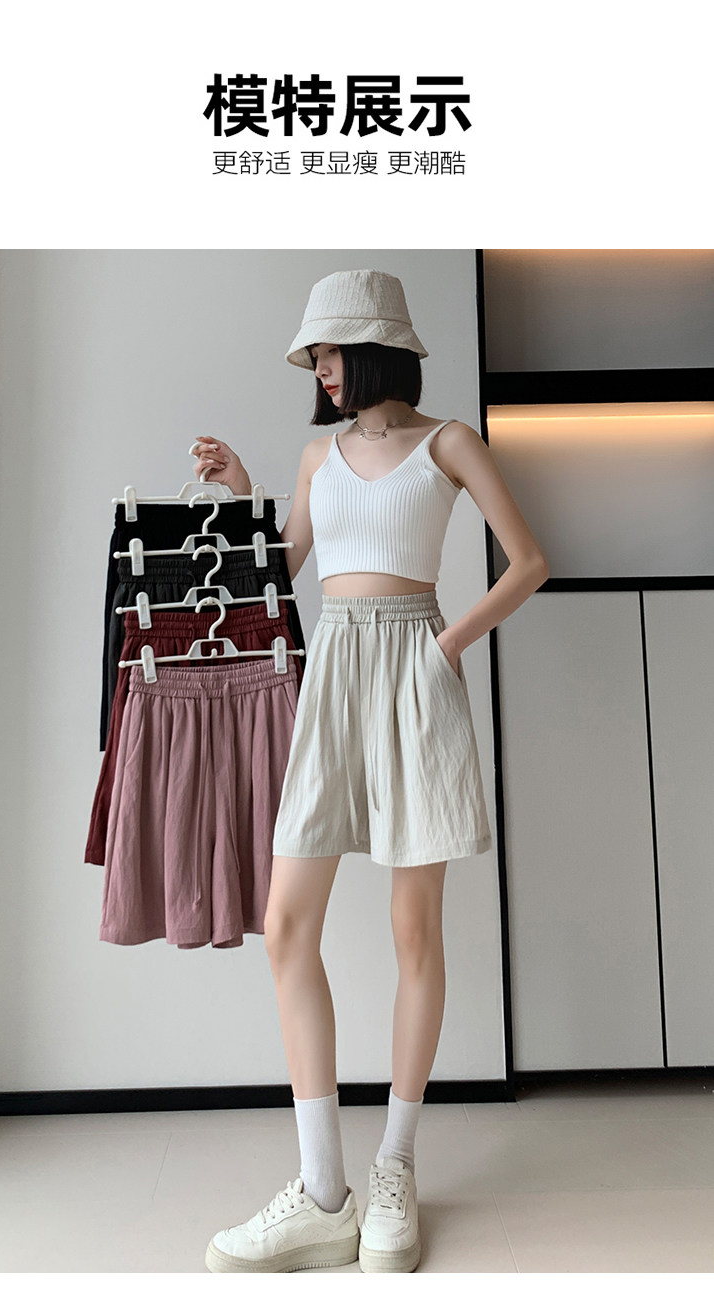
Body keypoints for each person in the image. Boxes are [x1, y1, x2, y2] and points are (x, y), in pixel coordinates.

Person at [193, 269, 549, 1273]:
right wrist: (245, 495)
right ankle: (322, 1193)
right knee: (288, 926)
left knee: (412, 929)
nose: (322, 370)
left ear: (375, 348)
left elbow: (529, 561)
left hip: (415, 676)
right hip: (334, 677)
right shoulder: (319, 458)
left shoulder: (451, 443)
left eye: (331, 353)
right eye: (315, 358)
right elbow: (282, 577)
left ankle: (394, 1166)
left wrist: (445, 647)